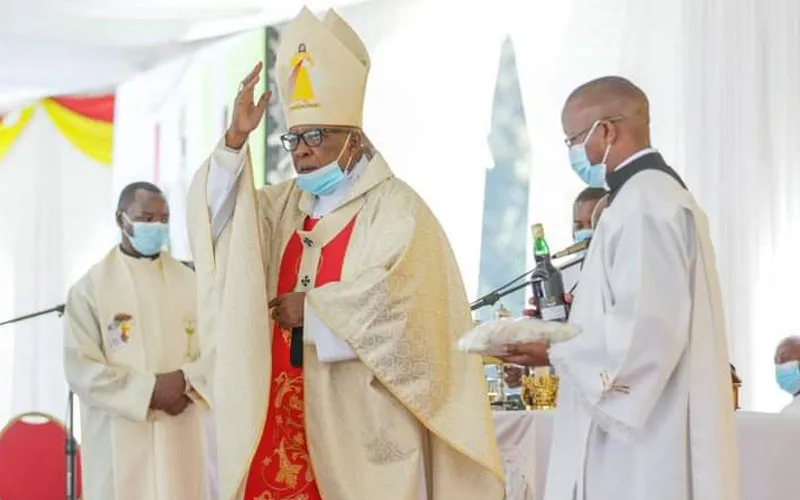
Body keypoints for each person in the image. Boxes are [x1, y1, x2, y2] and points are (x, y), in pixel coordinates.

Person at [185, 7, 504, 500]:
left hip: (362, 430)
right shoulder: (282, 207)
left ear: (353, 141)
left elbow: (405, 315)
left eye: (318, 136)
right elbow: (220, 222)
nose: (303, 151)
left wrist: (313, 315)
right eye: (295, 138)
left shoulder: (397, 210)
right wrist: (234, 141)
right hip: (279, 415)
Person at [497, 76, 740, 500]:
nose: (573, 152)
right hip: (639, 426)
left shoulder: (646, 204)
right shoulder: (644, 199)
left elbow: (647, 331)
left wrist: (553, 350)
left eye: (573, 138)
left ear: (607, 131)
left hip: (643, 443)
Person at [63, 182, 212, 500]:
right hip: (121, 434)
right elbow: (81, 368)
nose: (156, 226)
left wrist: (187, 381)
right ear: (121, 220)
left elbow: (216, 348)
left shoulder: (191, 282)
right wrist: (148, 391)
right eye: (146, 217)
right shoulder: (90, 289)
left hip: (180, 428)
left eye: (163, 219)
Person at [504, 187, 607, 389]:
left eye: (593, 224)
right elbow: (554, 345)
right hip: (565, 390)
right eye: (579, 225)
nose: (585, 231)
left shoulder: (623, 273)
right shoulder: (560, 275)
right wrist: (526, 371)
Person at [774, 336, 800, 414]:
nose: (780, 366)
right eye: (776, 360)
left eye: (785, 358)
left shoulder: (792, 413)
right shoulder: (789, 412)